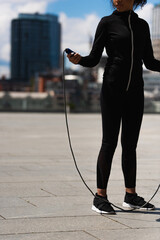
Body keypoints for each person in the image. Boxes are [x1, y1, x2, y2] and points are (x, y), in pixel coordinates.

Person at [67, 0, 160, 214]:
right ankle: (100, 197)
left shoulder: (142, 26)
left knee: (130, 145)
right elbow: (93, 59)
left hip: (136, 92)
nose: (116, 0)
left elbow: (150, 62)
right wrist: (79, 60)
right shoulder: (106, 23)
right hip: (111, 90)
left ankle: (131, 195)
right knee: (109, 143)